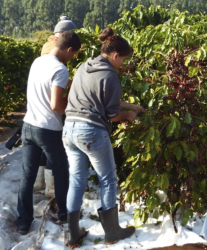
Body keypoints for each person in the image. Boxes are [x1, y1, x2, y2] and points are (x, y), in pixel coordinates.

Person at [62, 27, 146, 246]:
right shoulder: (110, 75)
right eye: (123, 60)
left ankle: (72, 235)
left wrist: (129, 104)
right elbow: (112, 114)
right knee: (108, 179)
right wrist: (128, 114)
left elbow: (94, 98)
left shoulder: (84, 67)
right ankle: (112, 233)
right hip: (90, 132)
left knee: (77, 180)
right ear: (116, 55)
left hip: (69, 129)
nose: (123, 65)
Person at [17, 31, 81, 235]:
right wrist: (73, 109)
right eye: (74, 54)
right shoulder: (60, 69)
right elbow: (55, 105)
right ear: (69, 49)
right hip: (48, 129)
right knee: (61, 172)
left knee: (27, 176)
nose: (72, 59)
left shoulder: (38, 61)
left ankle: (23, 221)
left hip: (28, 125)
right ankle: (64, 215)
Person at [33, 16, 78, 197]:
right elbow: (55, 101)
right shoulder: (57, 61)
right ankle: (54, 194)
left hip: (34, 117)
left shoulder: (41, 57)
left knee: (40, 155)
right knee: (55, 158)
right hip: (48, 117)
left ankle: (39, 183)